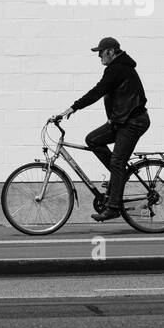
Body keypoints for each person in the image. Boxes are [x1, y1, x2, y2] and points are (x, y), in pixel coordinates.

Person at [57, 37, 150, 221]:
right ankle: (119, 177)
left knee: (117, 161)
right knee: (93, 139)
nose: (99, 56)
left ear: (111, 51)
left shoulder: (118, 68)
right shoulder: (118, 68)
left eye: (101, 52)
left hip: (134, 121)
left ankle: (113, 206)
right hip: (123, 121)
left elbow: (97, 91)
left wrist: (73, 107)